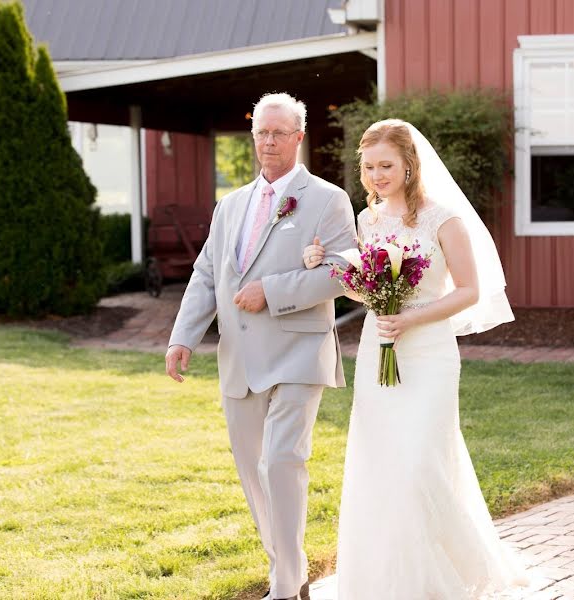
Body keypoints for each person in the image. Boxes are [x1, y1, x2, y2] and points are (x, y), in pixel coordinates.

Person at [302, 119, 530, 598]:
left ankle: (438, 576)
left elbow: (469, 290)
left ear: (409, 165)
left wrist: (413, 318)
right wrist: (324, 263)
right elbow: (363, 289)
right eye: (368, 167)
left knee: (419, 463)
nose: (377, 175)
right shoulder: (367, 221)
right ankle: (385, 579)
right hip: (379, 350)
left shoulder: (443, 218)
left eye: (386, 165)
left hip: (429, 355)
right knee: (381, 464)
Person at [165, 92, 357, 600]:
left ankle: (286, 583)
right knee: (253, 472)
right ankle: (287, 572)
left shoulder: (328, 198)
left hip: (299, 350)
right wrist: (184, 335)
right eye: (260, 133)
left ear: (298, 137)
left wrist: (272, 292)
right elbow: (207, 273)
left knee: (282, 461)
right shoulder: (230, 205)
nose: (268, 142)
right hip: (240, 359)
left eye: (278, 133)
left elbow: (343, 271)